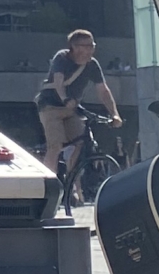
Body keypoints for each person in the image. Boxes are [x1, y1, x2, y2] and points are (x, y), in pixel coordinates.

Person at [35, 29, 121, 173]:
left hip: (71, 109)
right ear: (74, 47)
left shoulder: (92, 65)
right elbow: (58, 81)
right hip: (51, 107)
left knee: (80, 142)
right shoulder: (62, 58)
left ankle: (72, 181)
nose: (90, 50)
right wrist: (64, 98)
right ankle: (47, 183)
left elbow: (103, 90)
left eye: (92, 46)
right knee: (55, 146)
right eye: (86, 46)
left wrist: (114, 114)